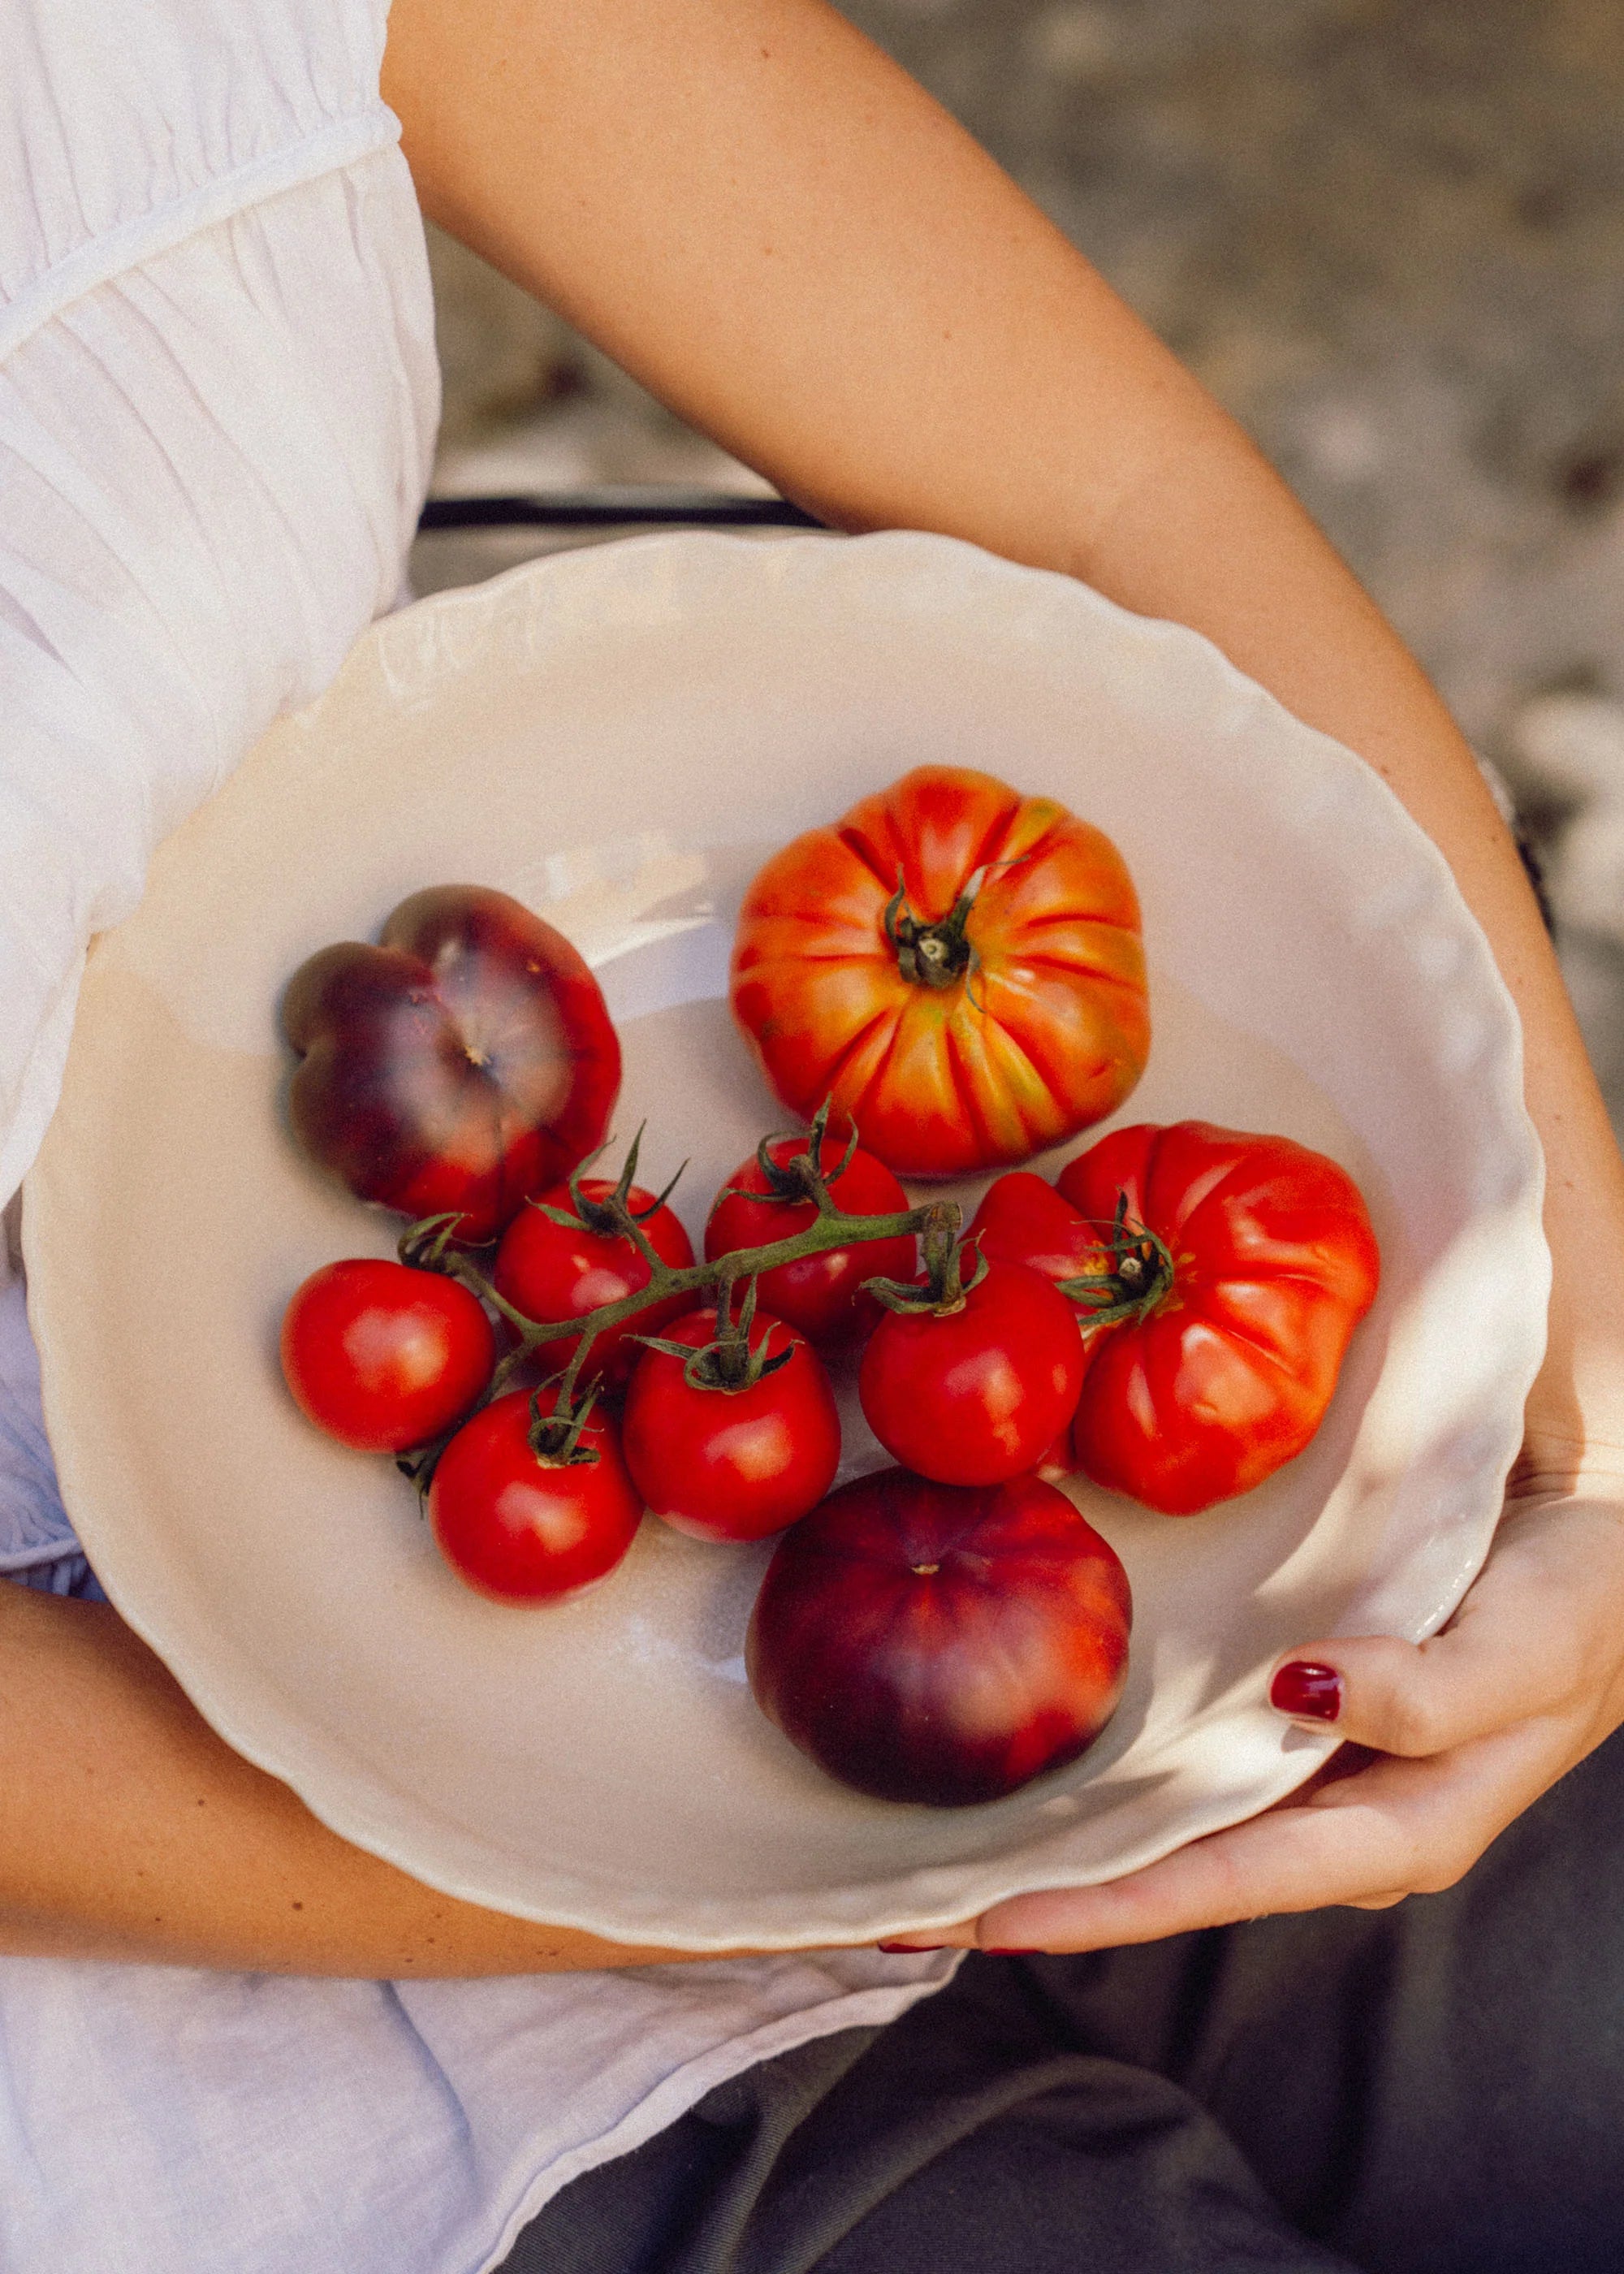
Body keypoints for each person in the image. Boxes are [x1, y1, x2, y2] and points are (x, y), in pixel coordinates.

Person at [2, 1, 1622, 2268]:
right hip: (173, 2003)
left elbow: (1103, 494)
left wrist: (1581, 1399)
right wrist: (729, 1878)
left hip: (949, 1637)